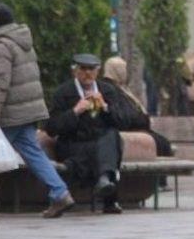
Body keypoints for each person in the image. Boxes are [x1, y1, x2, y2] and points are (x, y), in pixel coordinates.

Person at [0, 4, 74, 218]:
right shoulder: (22, 42)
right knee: (34, 153)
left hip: (10, 114)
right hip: (27, 111)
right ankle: (60, 193)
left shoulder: (0, 46)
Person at [45, 53, 124, 215]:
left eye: (92, 69)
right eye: (83, 69)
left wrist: (105, 107)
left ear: (98, 71)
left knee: (111, 136)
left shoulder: (107, 91)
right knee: (102, 152)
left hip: (100, 144)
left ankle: (103, 179)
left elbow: (122, 122)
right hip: (74, 145)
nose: (88, 73)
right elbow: (51, 128)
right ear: (74, 71)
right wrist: (75, 112)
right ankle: (107, 188)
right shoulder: (63, 92)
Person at [102, 57, 173, 187]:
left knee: (163, 143)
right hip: (131, 130)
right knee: (161, 143)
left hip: (138, 128)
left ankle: (160, 181)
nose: (124, 72)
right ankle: (158, 182)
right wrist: (141, 118)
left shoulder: (120, 87)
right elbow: (125, 115)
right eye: (121, 69)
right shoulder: (110, 89)